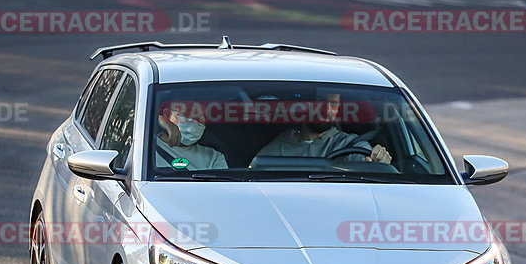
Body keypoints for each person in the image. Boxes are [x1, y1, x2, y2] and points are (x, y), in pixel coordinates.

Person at [255, 92, 392, 164]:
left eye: (333, 103)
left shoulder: (350, 145)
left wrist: (378, 161)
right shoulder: (277, 148)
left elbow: (366, 164)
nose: (327, 109)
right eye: (320, 102)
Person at [155, 109, 227, 170]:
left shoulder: (214, 158)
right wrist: (157, 119)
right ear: (167, 114)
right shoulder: (147, 146)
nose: (194, 122)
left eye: (200, 119)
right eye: (188, 115)